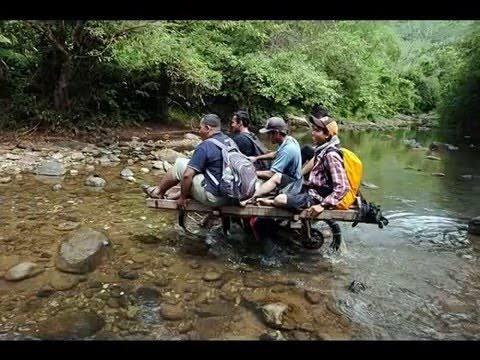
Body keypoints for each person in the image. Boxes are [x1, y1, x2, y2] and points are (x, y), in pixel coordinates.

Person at [143, 113, 237, 209]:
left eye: (200, 128)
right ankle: (174, 192)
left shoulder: (206, 145)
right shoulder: (230, 141)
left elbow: (187, 176)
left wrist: (182, 198)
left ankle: (158, 192)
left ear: (208, 128)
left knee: (180, 164)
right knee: (193, 167)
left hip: (215, 198)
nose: (199, 131)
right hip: (232, 195)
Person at [270, 111, 350, 217]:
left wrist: (323, 205)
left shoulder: (331, 155)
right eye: (313, 129)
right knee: (281, 191)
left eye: (317, 131)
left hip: (318, 198)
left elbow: (343, 186)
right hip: (312, 191)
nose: (313, 133)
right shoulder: (321, 150)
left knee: (279, 199)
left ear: (327, 135)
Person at [240, 116, 302, 206]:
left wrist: (252, 172)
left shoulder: (287, 149)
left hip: (292, 186)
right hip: (291, 180)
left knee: (276, 176)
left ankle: (251, 197)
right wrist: (256, 158)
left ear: (277, 133)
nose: (268, 137)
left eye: (269, 134)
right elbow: (275, 154)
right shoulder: (288, 140)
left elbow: (272, 174)